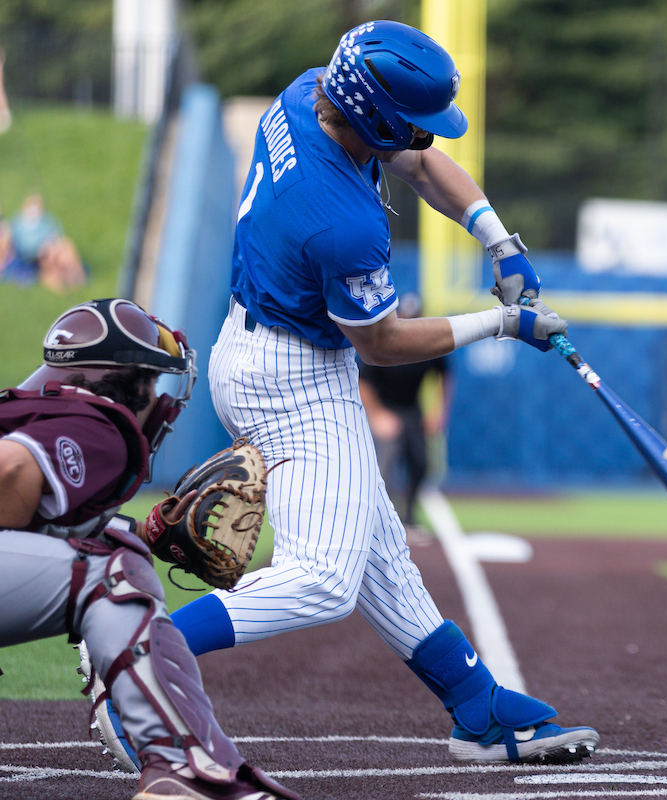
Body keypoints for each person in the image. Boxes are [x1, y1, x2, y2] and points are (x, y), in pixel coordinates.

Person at [91, 20, 597, 775]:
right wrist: (502, 321)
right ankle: (132, 656)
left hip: (268, 348)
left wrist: (500, 240)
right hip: (293, 377)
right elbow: (384, 342)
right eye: (413, 122)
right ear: (374, 114)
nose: (425, 136)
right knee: (323, 580)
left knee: (378, 550)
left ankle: (477, 707)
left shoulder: (310, 90)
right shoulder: (340, 223)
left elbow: (421, 165)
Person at [0, 298, 300, 800]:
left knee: (115, 547)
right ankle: (183, 766)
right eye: (152, 381)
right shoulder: (99, 424)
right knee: (114, 572)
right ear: (124, 381)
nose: (158, 398)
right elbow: (10, 471)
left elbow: (42, 522)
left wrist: (145, 530)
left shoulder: (28, 409)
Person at [358, 293, 450, 541]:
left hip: (412, 410)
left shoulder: (426, 345)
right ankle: (381, 526)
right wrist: (378, 416)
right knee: (384, 467)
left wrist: (437, 412)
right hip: (386, 409)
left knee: (421, 463)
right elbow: (363, 384)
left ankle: (408, 518)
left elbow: (445, 375)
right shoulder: (384, 344)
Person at [10, 193, 88, 293]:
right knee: (55, 254)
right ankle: (70, 279)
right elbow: (19, 246)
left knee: (66, 245)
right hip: (33, 255)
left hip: (51, 250)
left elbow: (57, 235)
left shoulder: (47, 220)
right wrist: (39, 248)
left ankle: (76, 275)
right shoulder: (18, 223)